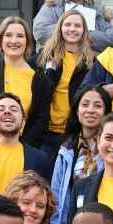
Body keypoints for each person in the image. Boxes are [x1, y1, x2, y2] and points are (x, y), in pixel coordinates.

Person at [26, 8, 94, 159]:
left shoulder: (91, 63)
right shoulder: (43, 58)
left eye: (77, 26)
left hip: (73, 134)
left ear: (84, 31)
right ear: (60, 28)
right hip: (44, 133)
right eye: (67, 25)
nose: (72, 29)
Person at [50, 84, 108, 224]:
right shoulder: (66, 149)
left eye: (98, 106)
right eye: (85, 104)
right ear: (77, 110)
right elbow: (56, 196)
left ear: (106, 112)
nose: (90, 110)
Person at [0, 93, 51, 195]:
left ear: (23, 122)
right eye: (1, 109)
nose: (7, 112)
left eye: (14, 109)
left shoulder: (40, 159)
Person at [0, 16, 38, 115]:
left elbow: (41, 118)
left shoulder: (39, 77)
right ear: (0, 40)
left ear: (27, 41)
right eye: (8, 35)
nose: (14, 41)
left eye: (20, 36)